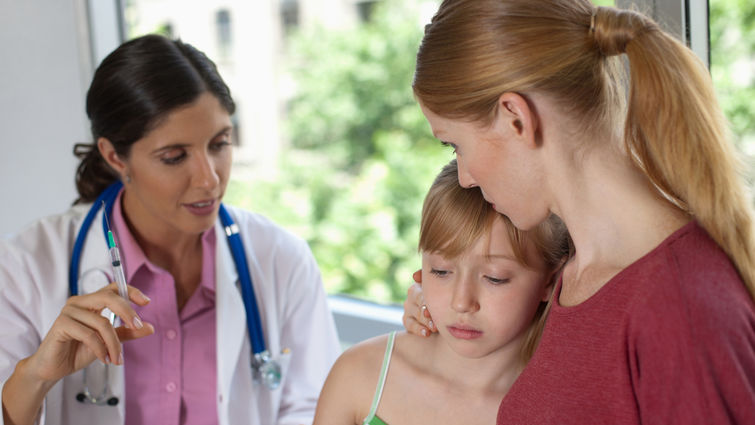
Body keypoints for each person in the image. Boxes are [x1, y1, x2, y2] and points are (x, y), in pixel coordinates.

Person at [405, 0, 755, 423]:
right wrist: (440, 311)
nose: (465, 178)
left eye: (456, 145)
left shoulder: (680, 306)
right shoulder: (571, 273)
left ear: (515, 118)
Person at [0, 34, 340, 425]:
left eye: (220, 144)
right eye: (175, 157)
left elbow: (317, 410)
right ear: (115, 156)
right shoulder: (26, 266)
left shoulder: (281, 258)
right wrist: (36, 376)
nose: (209, 179)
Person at [314, 160, 570, 425]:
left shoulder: (564, 408)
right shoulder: (360, 373)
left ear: (551, 281)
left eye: (494, 278)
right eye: (441, 271)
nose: (461, 302)